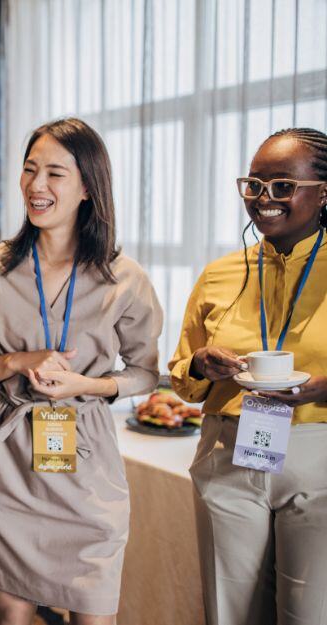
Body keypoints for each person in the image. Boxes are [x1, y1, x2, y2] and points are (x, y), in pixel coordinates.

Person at [0, 118, 162, 625]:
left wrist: (89, 384)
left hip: (88, 467)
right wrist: (15, 362)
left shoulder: (123, 278)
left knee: (92, 613)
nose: (36, 186)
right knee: (11, 613)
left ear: (88, 187)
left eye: (55, 174)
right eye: (29, 169)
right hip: (8, 460)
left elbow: (146, 373)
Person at [169, 128, 327, 625]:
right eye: (254, 185)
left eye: (283, 186)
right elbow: (180, 376)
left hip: (318, 453)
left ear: (324, 192)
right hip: (228, 451)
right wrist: (199, 366)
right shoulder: (218, 272)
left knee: (309, 614)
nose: (264, 200)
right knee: (230, 614)